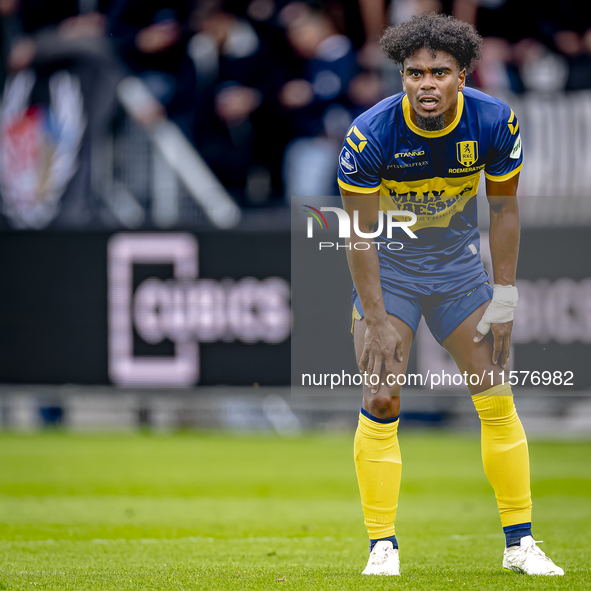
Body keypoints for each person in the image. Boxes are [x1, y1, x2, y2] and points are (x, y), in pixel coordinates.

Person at [336, 13, 564, 577]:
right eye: (414, 73)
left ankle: (520, 544)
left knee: (496, 397)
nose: (426, 84)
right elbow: (357, 234)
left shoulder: (494, 121)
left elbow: (505, 209)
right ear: (402, 76)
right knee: (383, 397)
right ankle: (381, 546)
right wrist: (376, 313)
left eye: (439, 72)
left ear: (463, 74)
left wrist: (504, 294)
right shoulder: (370, 134)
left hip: (458, 275)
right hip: (391, 275)